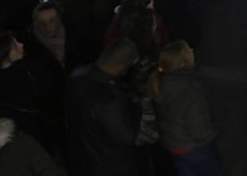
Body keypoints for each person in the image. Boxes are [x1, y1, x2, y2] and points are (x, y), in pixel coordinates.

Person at [64, 37, 140, 176]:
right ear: (122, 65)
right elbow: (126, 137)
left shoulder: (76, 74)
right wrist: (136, 109)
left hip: (80, 158)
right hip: (109, 164)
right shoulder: (110, 98)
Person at [150, 41, 222, 176]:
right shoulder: (192, 91)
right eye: (189, 50)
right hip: (192, 147)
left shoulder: (159, 81)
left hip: (172, 143)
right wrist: (214, 129)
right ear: (183, 63)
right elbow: (200, 132)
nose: (193, 51)